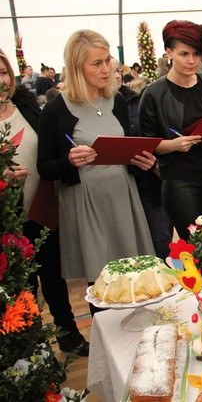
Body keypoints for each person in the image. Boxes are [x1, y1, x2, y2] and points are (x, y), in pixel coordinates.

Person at [36, 30, 156, 316]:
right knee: (102, 284)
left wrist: (140, 161)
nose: (107, 69)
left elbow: (123, 148)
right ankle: (108, 344)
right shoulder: (55, 110)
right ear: (77, 67)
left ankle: (139, 334)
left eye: (108, 61)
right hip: (86, 204)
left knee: (135, 275)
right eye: (97, 63)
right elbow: (45, 168)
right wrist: (69, 160)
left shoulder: (117, 102)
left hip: (123, 197)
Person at [0, 48, 89, 355]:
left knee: (54, 277)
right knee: (23, 288)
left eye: (2, 73)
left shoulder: (29, 108)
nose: (0, 81)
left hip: (43, 207)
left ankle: (69, 335)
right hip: (7, 219)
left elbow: (49, 153)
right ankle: (37, 350)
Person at [139, 20, 202, 240]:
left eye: (196, 54)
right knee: (198, 249)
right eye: (184, 54)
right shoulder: (154, 93)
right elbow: (146, 144)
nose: (191, 61)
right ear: (168, 53)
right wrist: (173, 145)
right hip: (180, 180)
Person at [111, 58, 172, 259]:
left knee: (160, 243)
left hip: (149, 184)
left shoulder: (138, 102)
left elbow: (158, 137)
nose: (116, 75)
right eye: (111, 70)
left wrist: (155, 162)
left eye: (118, 70)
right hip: (115, 189)